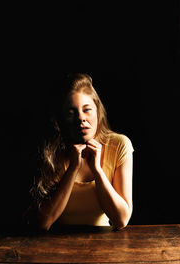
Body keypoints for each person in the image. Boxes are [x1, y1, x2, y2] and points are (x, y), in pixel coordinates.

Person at [26, 73, 134, 230]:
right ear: (61, 119)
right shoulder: (50, 151)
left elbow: (121, 220)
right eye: (71, 113)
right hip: (55, 247)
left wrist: (97, 171)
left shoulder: (118, 145)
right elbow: (43, 223)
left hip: (105, 247)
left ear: (98, 111)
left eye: (87, 110)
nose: (81, 118)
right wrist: (73, 168)